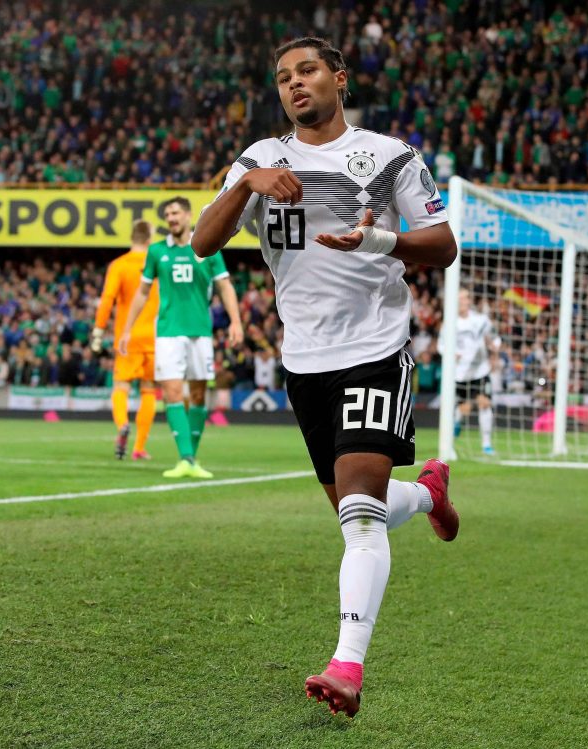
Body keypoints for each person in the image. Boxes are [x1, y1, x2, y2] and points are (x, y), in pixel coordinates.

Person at [191, 36, 459, 718]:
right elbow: (202, 240)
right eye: (282, 77)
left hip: (376, 346)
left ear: (339, 78)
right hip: (304, 362)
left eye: (307, 70)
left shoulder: (389, 155)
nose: (294, 84)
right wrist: (245, 184)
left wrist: (377, 239)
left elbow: (444, 246)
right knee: (354, 510)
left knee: (361, 519)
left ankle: (346, 664)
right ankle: (428, 494)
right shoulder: (260, 158)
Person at [119, 197, 243, 479]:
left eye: (175, 213)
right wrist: (126, 328)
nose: (172, 218)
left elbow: (225, 286)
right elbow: (141, 293)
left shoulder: (208, 247)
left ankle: (192, 458)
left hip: (200, 332)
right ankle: (186, 458)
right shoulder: (156, 251)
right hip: (167, 333)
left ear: (188, 215)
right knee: (172, 392)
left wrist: (236, 320)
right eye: (167, 215)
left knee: (198, 395)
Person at [93, 220, 161, 460]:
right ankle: (139, 448)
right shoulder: (157, 261)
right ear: (148, 238)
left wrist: (99, 330)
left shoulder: (119, 265)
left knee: (121, 386)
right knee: (149, 391)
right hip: (154, 337)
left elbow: (108, 298)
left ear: (132, 237)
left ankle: (122, 424)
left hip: (127, 336)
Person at [450, 288, 496, 455]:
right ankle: (455, 426)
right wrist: (451, 353)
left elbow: (495, 338)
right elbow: (442, 345)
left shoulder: (481, 320)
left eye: (465, 298)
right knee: (464, 409)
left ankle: (486, 444)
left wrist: (494, 347)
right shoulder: (450, 322)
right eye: (460, 299)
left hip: (480, 371)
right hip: (461, 373)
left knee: (485, 403)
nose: (463, 302)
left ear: (469, 301)